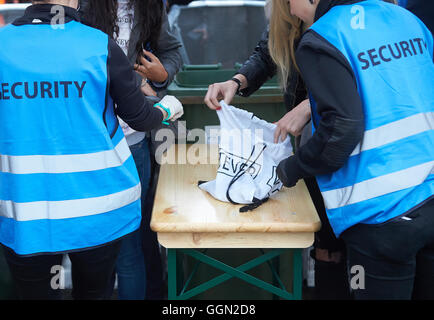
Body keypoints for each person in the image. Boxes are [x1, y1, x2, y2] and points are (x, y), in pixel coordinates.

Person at [0, 0, 183, 300]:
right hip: (97, 212)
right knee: (94, 292)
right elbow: (140, 116)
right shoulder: (98, 45)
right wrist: (167, 109)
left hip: (25, 213)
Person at [273, 0, 433, 300]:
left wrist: (290, 168)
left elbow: (340, 132)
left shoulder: (323, 36)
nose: (291, 10)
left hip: (380, 213)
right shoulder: (406, 19)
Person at [204, 3, 351, 300]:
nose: (290, 11)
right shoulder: (288, 14)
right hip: (310, 143)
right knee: (325, 244)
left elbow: (358, 80)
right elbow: (268, 53)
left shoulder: (344, 18)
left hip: (345, 142)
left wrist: (310, 106)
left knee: (351, 241)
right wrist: (236, 81)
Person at [80, 0, 183, 300]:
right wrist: (137, 80)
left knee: (130, 247)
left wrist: (161, 76)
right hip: (92, 144)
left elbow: (172, 52)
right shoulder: (82, 6)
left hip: (134, 143)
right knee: (95, 247)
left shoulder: (151, 6)